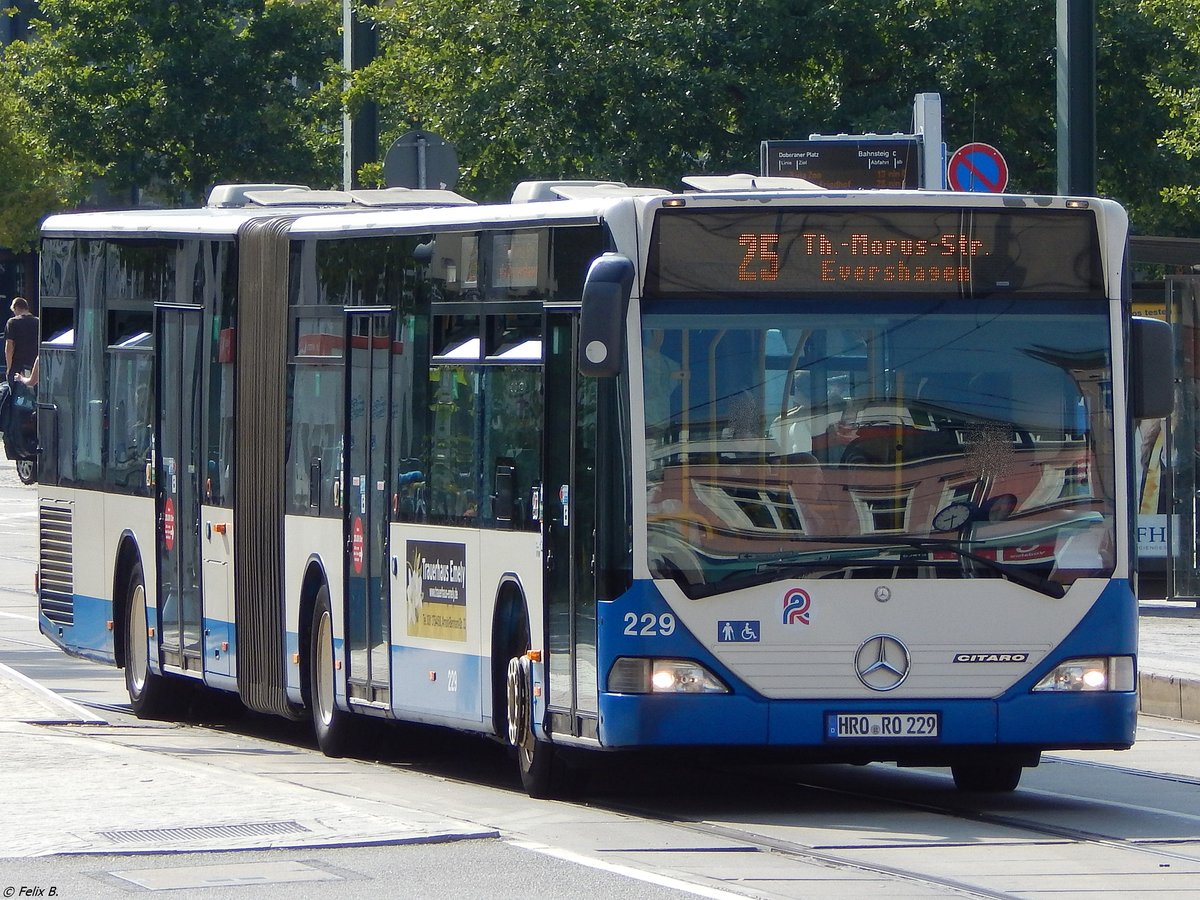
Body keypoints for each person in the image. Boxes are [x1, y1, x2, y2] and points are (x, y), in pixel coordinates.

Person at [4, 297, 38, 386]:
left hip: (17, 366)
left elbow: (9, 347)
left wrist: (9, 368)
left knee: (16, 396)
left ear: (15, 308)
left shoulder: (12, 322)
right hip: (34, 366)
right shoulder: (39, 322)